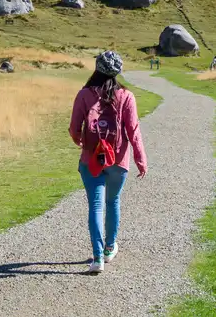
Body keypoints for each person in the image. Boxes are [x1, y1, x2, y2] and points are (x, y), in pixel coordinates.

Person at [69, 51, 147, 273]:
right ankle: (109, 248)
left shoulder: (84, 94)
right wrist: (140, 158)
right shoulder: (127, 96)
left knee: (95, 205)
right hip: (118, 160)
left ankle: (97, 258)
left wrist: (81, 142)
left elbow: (74, 129)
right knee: (112, 202)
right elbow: (133, 131)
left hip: (91, 158)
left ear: (97, 68)